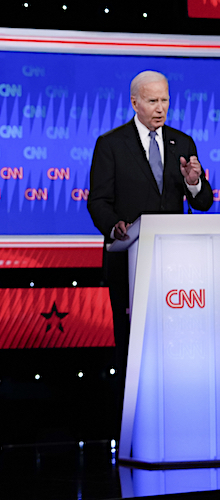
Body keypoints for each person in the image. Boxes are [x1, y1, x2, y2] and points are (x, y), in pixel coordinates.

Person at [87, 70, 213, 435]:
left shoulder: (182, 142)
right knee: (131, 349)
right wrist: (115, 227)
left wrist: (194, 183)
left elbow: (203, 202)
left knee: (174, 348)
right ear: (135, 102)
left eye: (165, 100)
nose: (160, 109)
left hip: (176, 271)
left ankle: (177, 427)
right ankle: (132, 431)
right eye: (153, 101)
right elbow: (98, 201)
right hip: (129, 261)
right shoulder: (110, 144)